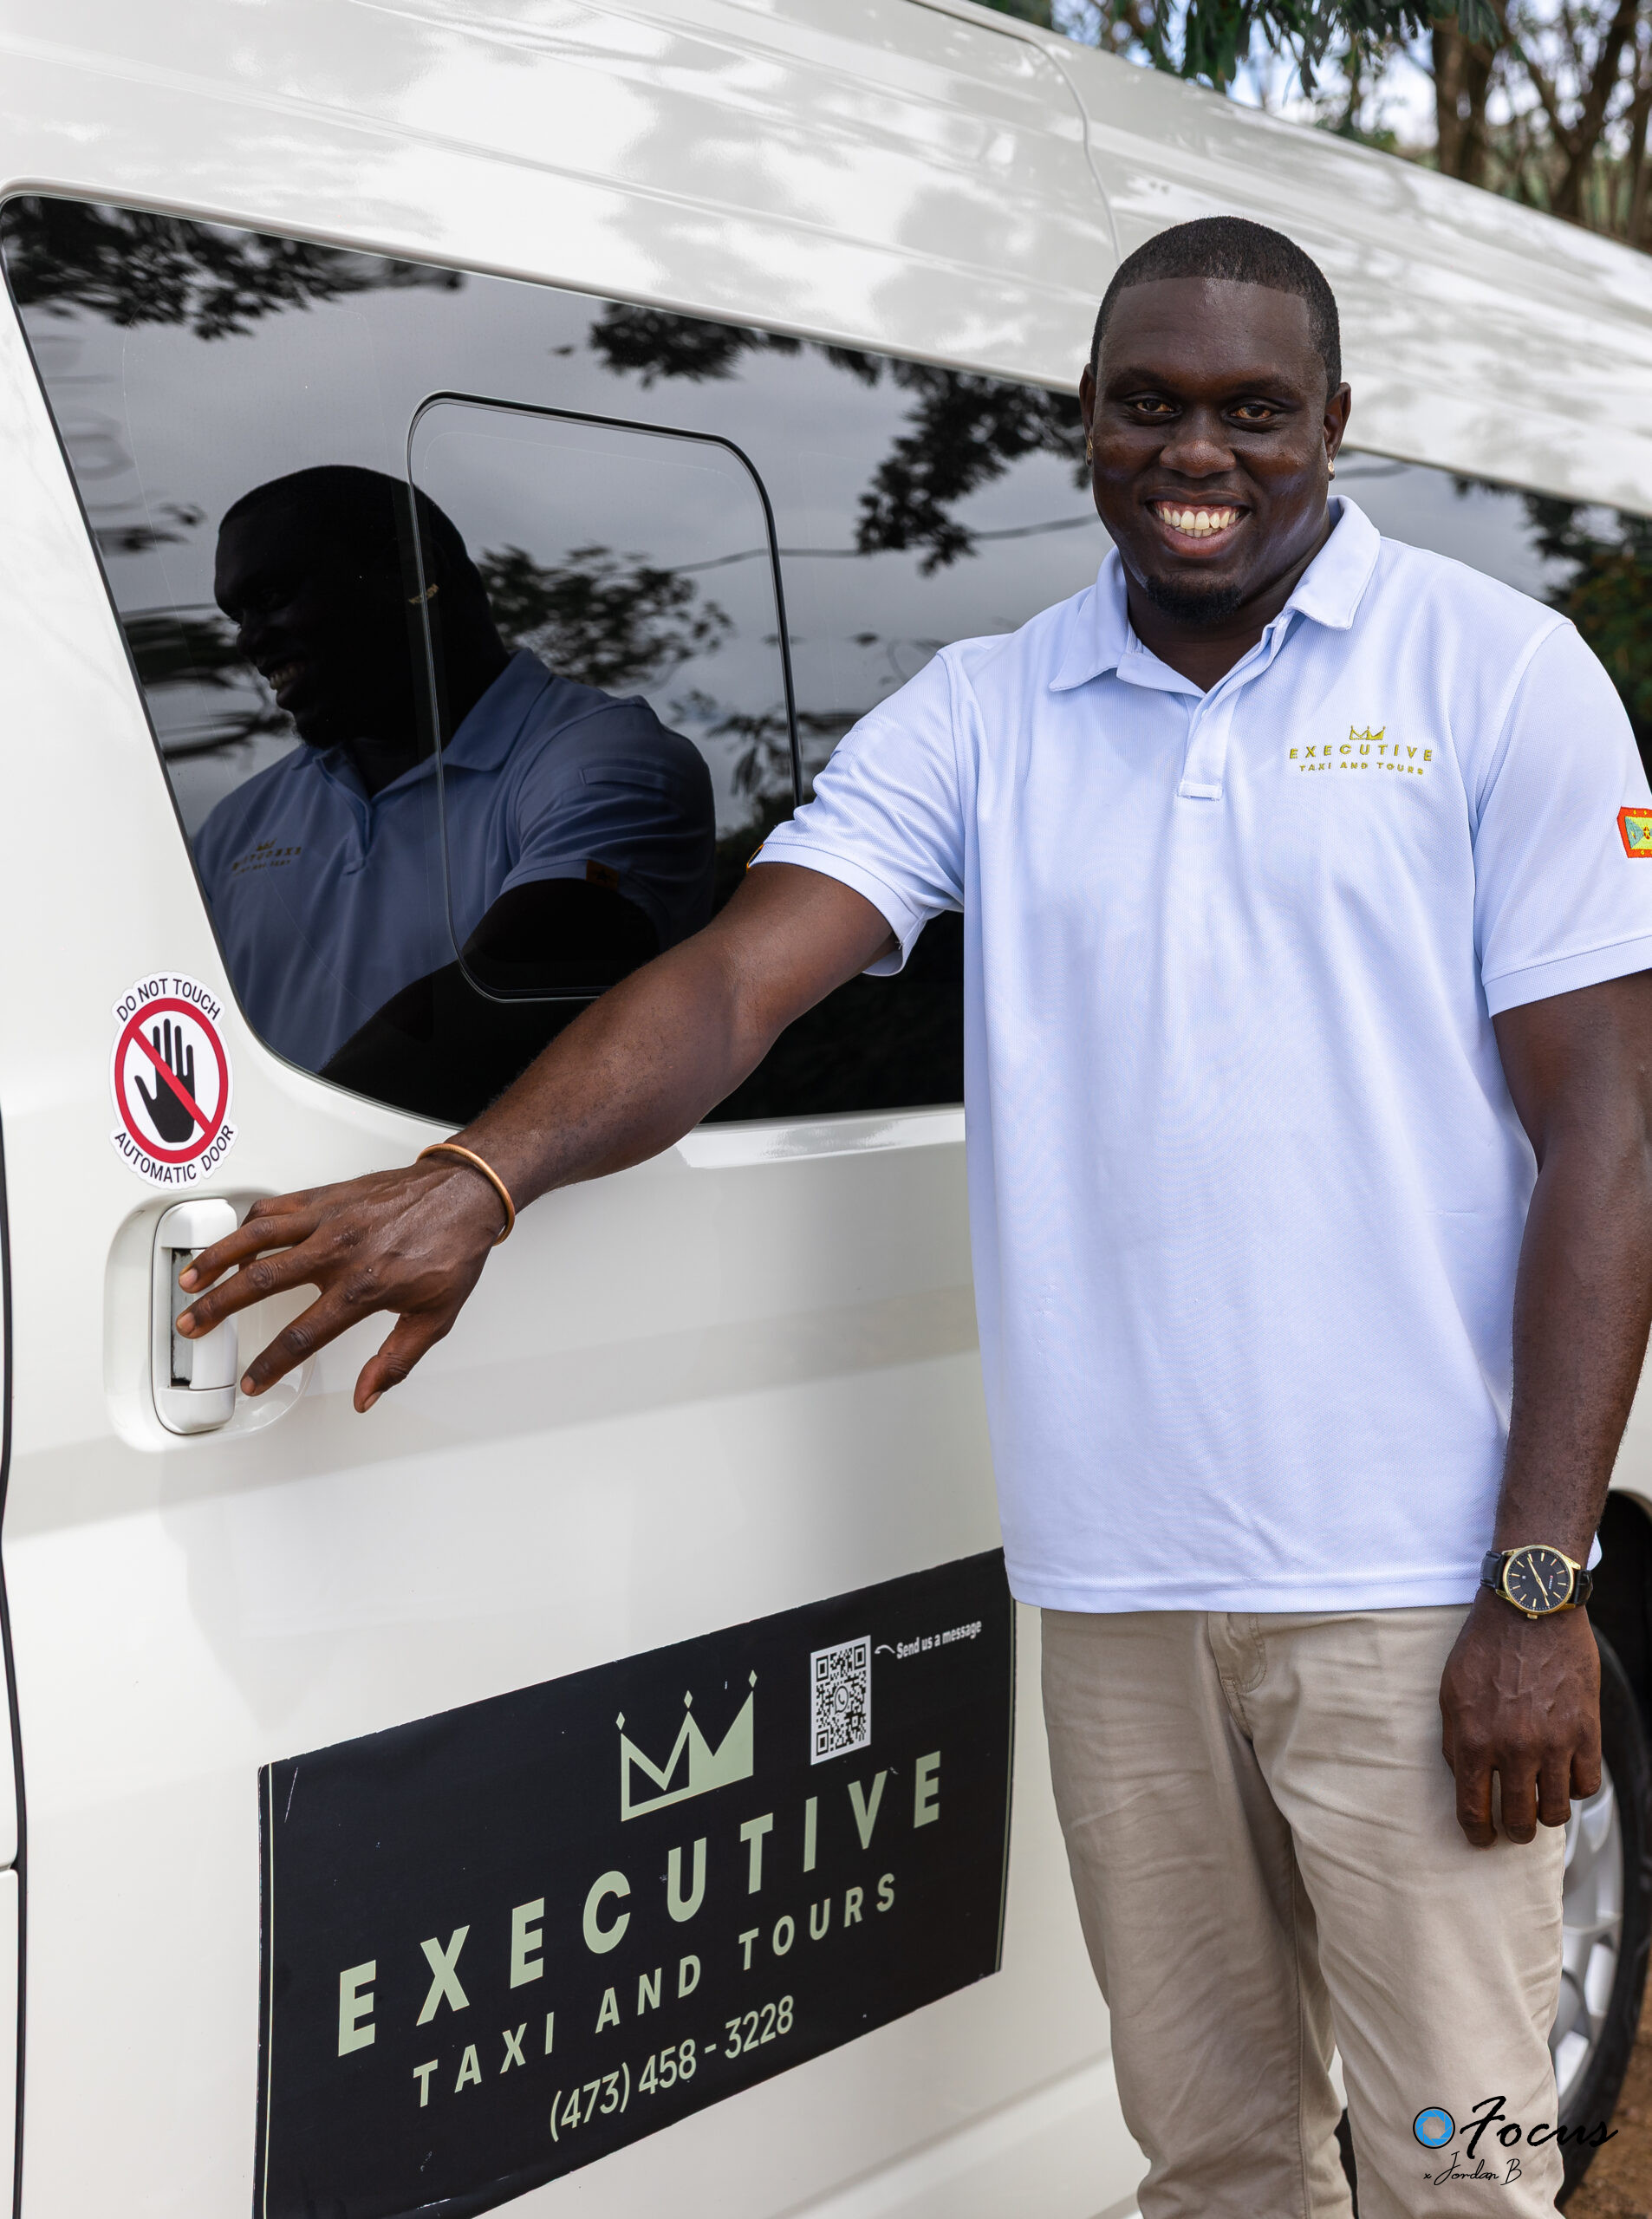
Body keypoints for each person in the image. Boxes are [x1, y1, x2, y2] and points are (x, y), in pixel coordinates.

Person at [175, 220, 1652, 2218]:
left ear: (1332, 422)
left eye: (1251, 409)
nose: (1195, 451)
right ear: (1083, 415)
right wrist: (478, 1172)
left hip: (1409, 1582)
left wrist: (1538, 1587)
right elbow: (730, 981)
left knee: (1460, 2162)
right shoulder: (986, 707)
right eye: (1147, 402)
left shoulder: (1495, 673)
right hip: (1117, 1590)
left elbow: (1604, 1131)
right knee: (1211, 2153)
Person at [198, 465, 716, 1111]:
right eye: (237, 617)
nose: (249, 640)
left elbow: (500, 1001)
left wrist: (285, 1154)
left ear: (411, 573)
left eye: (273, 597)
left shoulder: (608, 764)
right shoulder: (234, 830)